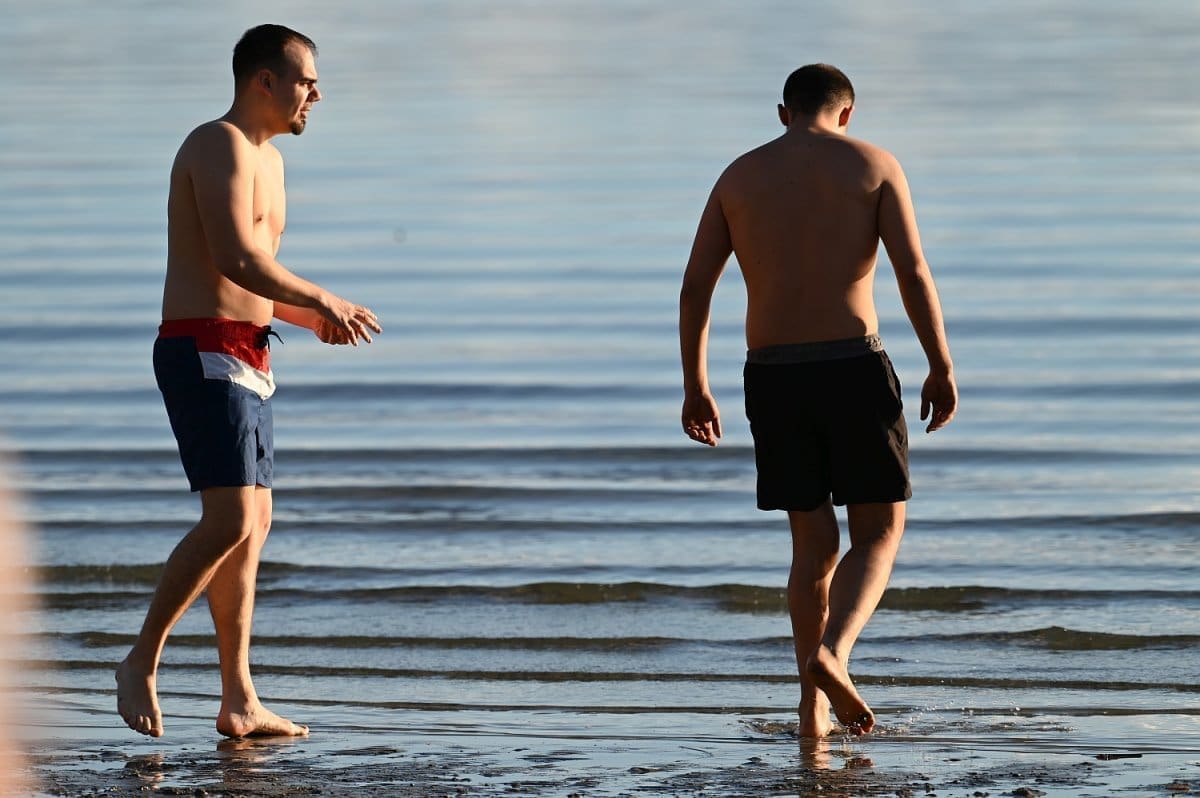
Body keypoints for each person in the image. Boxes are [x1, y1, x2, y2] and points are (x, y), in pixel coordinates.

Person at [116, 24, 383, 739]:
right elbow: (235, 257)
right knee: (230, 519)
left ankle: (238, 699)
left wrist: (309, 316)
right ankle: (140, 660)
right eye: (306, 82)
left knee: (253, 527)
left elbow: (255, 282)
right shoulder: (218, 143)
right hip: (201, 349)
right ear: (265, 81)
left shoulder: (271, 161)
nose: (316, 95)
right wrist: (323, 296)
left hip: (250, 353)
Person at [678, 64, 956, 737]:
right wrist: (940, 365)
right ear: (847, 112)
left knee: (813, 545)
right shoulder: (874, 165)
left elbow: (696, 288)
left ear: (784, 112)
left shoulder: (738, 177)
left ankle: (812, 710)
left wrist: (696, 385)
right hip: (854, 365)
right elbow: (912, 271)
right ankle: (833, 653)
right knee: (879, 533)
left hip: (773, 374)